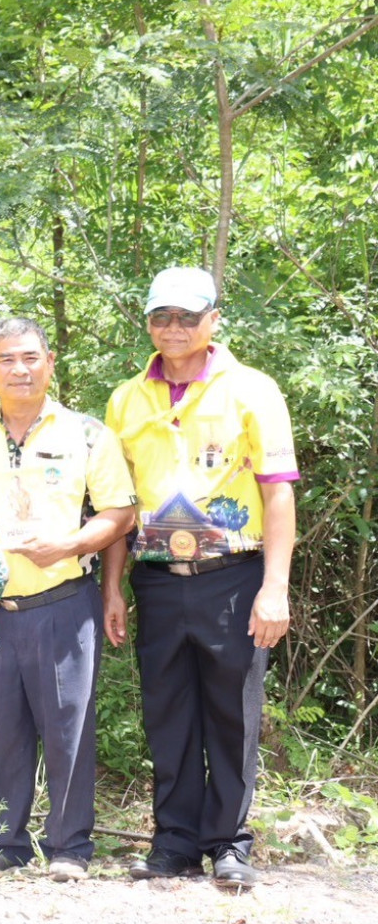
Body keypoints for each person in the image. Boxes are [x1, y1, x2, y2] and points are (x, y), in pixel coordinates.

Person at [102, 266, 297, 892]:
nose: (174, 328)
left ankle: (229, 843)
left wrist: (275, 587)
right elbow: (117, 505)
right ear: (148, 322)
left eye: (188, 316)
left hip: (233, 576)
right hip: (158, 578)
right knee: (168, 712)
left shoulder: (252, 390)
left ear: (214, 319)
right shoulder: (126, 399)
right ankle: (176, 842)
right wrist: (114, 588)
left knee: (232, 714)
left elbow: (279, 493)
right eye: (162, 316)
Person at [0, 318, 136, 881]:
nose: (19, 369)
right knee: (1, 731)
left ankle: (70, 847)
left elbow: (121, 513)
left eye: (30, 357)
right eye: (6, 359)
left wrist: (70, 545)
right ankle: (4, 843)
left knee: (67, 729)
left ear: (50, 363)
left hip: (63, 602)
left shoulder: (88, 435)